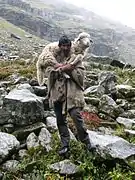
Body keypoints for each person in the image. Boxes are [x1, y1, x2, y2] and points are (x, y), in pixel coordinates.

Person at [36, 34, 95, 156]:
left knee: (76, 116)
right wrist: (57, 70)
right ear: (59, 46)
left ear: (70, 46)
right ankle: (65, 145)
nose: (65, 48)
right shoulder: (52, 58)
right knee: (60, 120)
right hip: (58, 93)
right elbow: (48, 73)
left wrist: (69, 68)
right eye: (63, 46)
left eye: (68, 46)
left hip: (72, 94)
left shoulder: (76, 58)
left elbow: (80, 78)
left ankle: (86, 141)